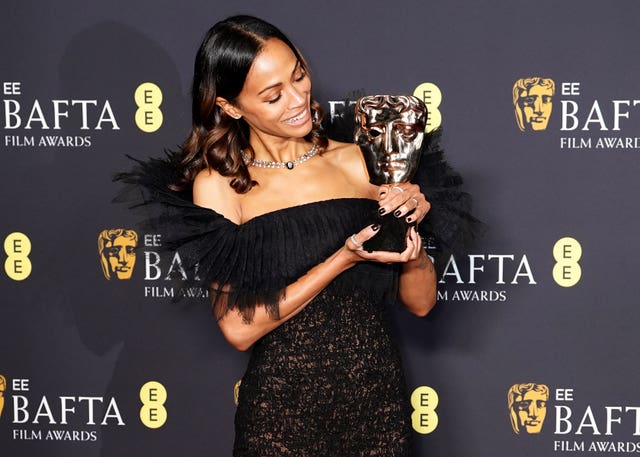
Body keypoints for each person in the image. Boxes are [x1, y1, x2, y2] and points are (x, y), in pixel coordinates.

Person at [118, 14, 439, 456]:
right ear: (231, 107)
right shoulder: (218, 186)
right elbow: (238, 328)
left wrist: (415, 248)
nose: (297, 99)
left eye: (300, 75)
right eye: (273, 96)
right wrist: (341, 259)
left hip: (378, 410)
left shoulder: (363, 160)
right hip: (280, 422)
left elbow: (420, 304)